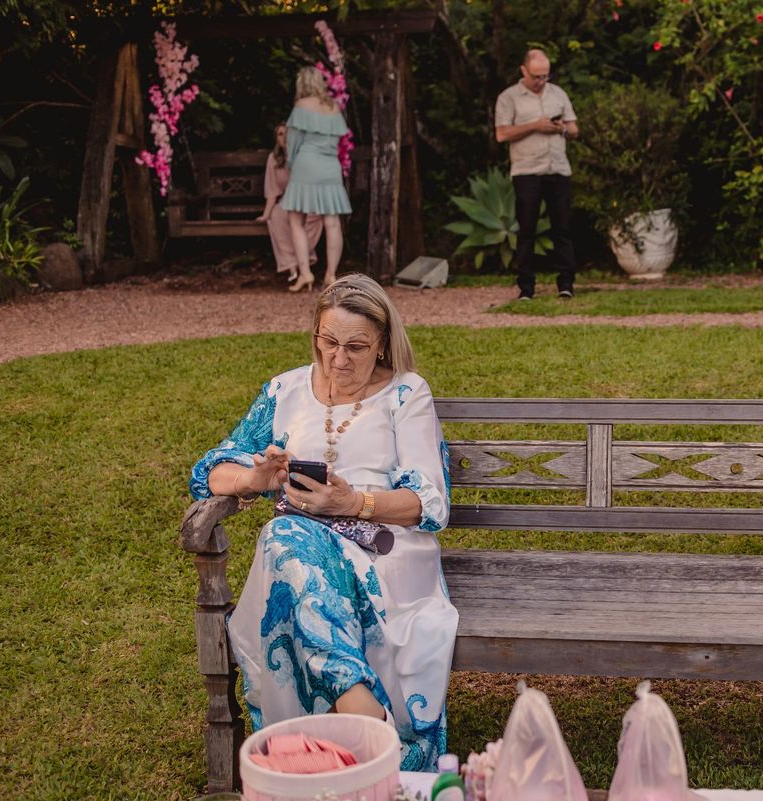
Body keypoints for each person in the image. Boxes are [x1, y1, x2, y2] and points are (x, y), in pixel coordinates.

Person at [189, 273, 456, 770]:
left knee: (282, 540)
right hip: (303, 546)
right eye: (329, 342)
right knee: (287, 535)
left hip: (385, 548)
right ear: (315, 334)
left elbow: (429, 503)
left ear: (382, 345)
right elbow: (211, 471)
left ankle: (338, 735)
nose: (339, 359)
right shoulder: (284, 389)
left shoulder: (405, 394)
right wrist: (256, 479)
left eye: (356, 346)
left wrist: (353, 501)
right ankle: (364, 714)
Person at [494, 49, 579, 300]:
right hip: (527, 171)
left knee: (562, 228)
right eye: (536, 77)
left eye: (545, 76)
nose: (541, 81)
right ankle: (526, 287)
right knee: (527, 229)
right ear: (524, 71)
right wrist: (534, 126)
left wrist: (562, 128)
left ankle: (566, 284)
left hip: (558, 169)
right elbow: (501, 134)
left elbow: (575, 128)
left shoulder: (558, 94)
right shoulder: (509, 98)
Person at [282, 66, 352, 293]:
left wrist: (292, 167)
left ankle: (305, 273)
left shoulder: (301, 107)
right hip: (331, 166)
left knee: (295, 220)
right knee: (332, 222)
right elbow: (339, 142)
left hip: (306, 164)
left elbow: (292, 145)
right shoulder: (333, 108)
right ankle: (331, 274)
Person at [258, 123, 324, 282]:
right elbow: (273, 190)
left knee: (312, 218)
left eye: (288, 133)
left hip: (307, 200)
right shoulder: (273, 158)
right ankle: (292, 266)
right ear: (276, 139)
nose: (285, 137)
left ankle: (302, 265)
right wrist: (266, 214)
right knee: (277, 216)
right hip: (287, 201)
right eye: (280, 134)